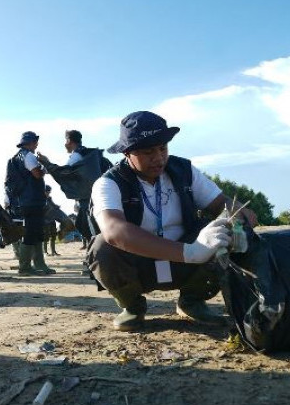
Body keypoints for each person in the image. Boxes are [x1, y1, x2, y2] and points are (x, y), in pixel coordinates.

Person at [88, 111, 257, 332]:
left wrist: (237, 216)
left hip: (187, 262)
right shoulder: (108, 183)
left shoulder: (184, 171)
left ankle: (192, 300)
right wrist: (190, 252)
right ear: (127, 153)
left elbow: (222, 203)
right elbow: (114, 230)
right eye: (148, 152)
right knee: (102, 248)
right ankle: (132, 306)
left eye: (163, 149)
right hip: (142, 262)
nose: (158, 158)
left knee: (221, 233)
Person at [38, 129, 107, 242]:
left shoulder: (77, 156)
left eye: (65, 140)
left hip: (87, 200)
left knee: (87, 227)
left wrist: (46, 163)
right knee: (86, 225)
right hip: (93, 197)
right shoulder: (86, 153)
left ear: (69, 141)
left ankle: (97, 252)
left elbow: (65, 174)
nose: (65, 144)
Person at [5, 132, 55, 275]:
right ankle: (25, 267)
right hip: (31, 200)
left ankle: (40, 264)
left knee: (37, 232)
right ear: (30, 143)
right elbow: (37, 174)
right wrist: (45, 164)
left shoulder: (19, 156)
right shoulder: (28, 156)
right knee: (31, 233)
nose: (36, 144)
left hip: (27, 200)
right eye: (35, 142)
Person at [43, 186, 59, 256]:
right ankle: (45, 252)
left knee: (53, 235)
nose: (48, 193)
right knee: (45, 237)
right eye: (47, 192)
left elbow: (53, 205)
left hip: (52, 219)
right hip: (44, 221)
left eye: (49, 192)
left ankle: (53, 251)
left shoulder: (49, 199)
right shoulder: (39, 199)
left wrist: (56, 206)